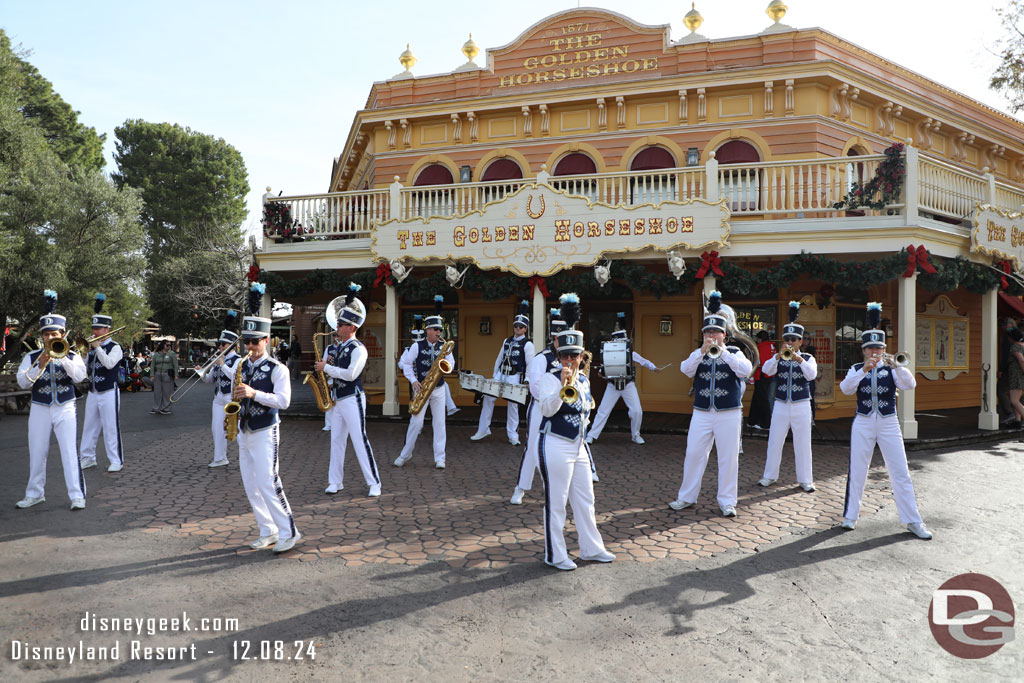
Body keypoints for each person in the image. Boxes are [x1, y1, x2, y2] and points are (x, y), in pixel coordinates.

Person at [838, 302, 932, 539]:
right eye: (870, 349)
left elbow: (910, 385)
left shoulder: (892, 368)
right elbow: (846, 389)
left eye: (878, 348)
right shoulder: (856, 368)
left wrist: (897, 365)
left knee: (900, 471)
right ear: (864, 350)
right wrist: (863, 372)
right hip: (863, 421)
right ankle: (850, 516)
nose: (874, 352)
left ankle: (913, 520)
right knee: (858, 469)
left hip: (889, 422)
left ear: (884, 348)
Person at [536, 293, 614, 571]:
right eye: (565, 355)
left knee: (586, 499)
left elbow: (586, 411)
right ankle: (555, 555)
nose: (570, 360)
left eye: (575, 356)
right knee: (556, 502)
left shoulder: (583, 379)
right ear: (558, 356)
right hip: (554, 443)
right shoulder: (548, 378)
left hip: (578, 445)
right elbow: (547, 410)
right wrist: (561, 386)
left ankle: (592, 548)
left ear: (582, 356)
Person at [669, 291, 753, 517]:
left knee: (728, 457)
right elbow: (685, 369)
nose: (712, 335)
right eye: (708, 331)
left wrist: (723, 352)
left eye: (716, 331)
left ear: (724, 334)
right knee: (694, 453)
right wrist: (701, 352)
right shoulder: (699, 353)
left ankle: (727, 501)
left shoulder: (734, 352)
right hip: (702, 411)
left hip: (729, 412)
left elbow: (745, 371)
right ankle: (686, 497)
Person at [233, 282, 299, 553]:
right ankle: (267, 529)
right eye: (246, 341)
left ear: (267, 340)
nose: (250, 346)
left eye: (255, 341)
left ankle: (289, 531)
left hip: (265, 430)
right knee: (251, 485)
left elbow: (283, 401)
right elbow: (237, 395)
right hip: (243, 430)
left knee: (269, 482)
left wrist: (253, 393)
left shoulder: (277, 368)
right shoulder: (240, 365)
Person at [15, 290, 88, 510]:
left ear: (62, 335)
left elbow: (80, 377)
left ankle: (77, 495)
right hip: (39, 408)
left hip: (65, 407)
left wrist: (63, 357)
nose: (49, 338)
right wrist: (41, 364)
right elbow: (22, 382)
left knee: (69, 451)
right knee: (37, 452)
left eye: (54, 334)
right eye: (46, 335)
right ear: (42, 336)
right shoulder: (30, 357)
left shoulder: (73, 356)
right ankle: (35, 493)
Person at [314, 283, 381, 497]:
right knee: (336, 441)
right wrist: (323, 370)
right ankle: (335, 482)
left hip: (353, 398)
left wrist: (328, 368)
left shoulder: (358, 349)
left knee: (360, 440)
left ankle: (374, 483)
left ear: (352, 327)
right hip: (337, 399)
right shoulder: (332, 347)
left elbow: (352, 374)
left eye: (342, 324)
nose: (337, 326)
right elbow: (325, 371)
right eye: (339, 323)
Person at [757, 302, 817, 491]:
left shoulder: (808, 358)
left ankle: (806, 479)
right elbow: (766, 370)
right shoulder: (779, 356)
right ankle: (769, 476)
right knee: (775, 440)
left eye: (794, 339)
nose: (790, 342)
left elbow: (811, 375)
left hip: (801, 404)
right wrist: (776, 357)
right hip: (781, 403)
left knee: (803, 443)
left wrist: (798, 359)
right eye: (787, 339)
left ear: (800, 341)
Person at [510, 308, 565, 505]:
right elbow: (534, 385)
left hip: (562, 409)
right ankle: (521, 488)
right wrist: (549, 401)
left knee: (559, 449)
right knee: (533, 447)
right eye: (563, 338)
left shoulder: (569, 357)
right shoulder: (542, 357)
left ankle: (554, 491)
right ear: (555, 337)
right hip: (541, 408)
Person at [395, 295, 454, 469]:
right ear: (428, 330)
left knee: (439, 423)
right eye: (436, 329)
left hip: (439, 388)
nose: (438, 332)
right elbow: (406, 364)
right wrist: (413, 380)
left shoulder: (445, 346)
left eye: (440, 330)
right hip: (421, 388)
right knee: (416, 423)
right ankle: (405, 454)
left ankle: (440, 458)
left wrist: (446, 365)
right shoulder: (416, 346)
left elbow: (451, 364)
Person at [586, 311, 662, 445]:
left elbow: (643, 361)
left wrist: (654, 368)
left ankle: (635, 435)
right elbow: (602, 369)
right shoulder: (608, 352)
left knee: (637, 411)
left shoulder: (630, 352)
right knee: (603, 411)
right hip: (612, 385)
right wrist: (601, 373)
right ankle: (591, 435)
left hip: (628, 385)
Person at [471, 300, 534, 445]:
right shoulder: (507, 340)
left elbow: (530, 364)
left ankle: (513, 435)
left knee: (513, 405)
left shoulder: (528, 344)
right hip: (500, 374)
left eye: (521, 326)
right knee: (488, 398)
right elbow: (499, 358)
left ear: (525, 329)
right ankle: (483, 429)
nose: (518, 328)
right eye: (516, 326)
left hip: (515, 376)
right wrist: (495, 375)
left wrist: (527, 380)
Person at [79, 293, 125, 473]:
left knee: (110, 427)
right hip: (93, 391)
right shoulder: (91, 347)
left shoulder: (116, 348)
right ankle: (88, 457)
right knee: (89, 426)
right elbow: (83, 372)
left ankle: (116, 460)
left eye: (98, 329)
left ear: (107, 329)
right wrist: (84, 354)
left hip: (108, 392)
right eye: (93, 328)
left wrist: (97, 348)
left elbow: (109, 364)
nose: (94, 332)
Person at [198, 311, 240, 468]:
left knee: (238, 431)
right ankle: (220, 458)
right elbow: (210, 379)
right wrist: (201, 374)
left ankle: (248, 458)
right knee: (216, 429)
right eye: (219, 344)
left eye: (223, 344)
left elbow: (234, 377)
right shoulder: (217, 360)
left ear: (231, 345)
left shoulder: (238, 360)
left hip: (231, 397)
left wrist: (222, 364)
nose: (220, 347)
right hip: (218, 398)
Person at [747, 330, 776, 430]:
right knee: (757, 399)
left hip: (761, 375)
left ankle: (766, 424)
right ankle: (752, 421)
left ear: (760, 339)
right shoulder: (771, 346)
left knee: (763, 400)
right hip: (768, 375)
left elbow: (760, 363)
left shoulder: (761, 347)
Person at [150, 340, 179, 414]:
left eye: (170, 345)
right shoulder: (156, 354)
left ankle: (166, 408)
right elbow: (152, 365)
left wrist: (176, 374)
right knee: (157, 392)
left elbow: (175, 365)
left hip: (167, 374)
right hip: (157, 374)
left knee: (167, 392)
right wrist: (152, 375)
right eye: (167, 345)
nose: (169, 346)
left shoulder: (172, 354)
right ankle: (156, 408)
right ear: (163, 345)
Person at [998, 318, 1018, 426]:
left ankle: (1009, 413)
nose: (1002, 328)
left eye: (1003, 325)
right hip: (1018, 371)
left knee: (1001, 390)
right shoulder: (1021, 337)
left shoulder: (1009, 339)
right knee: (1017, 394)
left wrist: (1001, 369)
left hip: (1010, 370)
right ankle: (1018, 419)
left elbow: (1006, 356)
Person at [1004, 326, 1024, 427]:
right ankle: (1017, 420)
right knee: (1017, 399)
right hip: (1018, 377)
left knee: (1014, 400)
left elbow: (1021, 360)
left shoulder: (1015, 347)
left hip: (1017, 377)